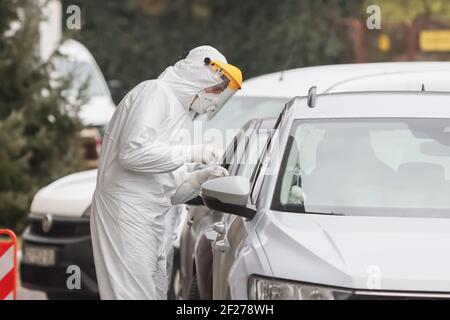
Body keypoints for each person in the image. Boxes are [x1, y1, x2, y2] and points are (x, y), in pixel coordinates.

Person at [90, 46, 243, 300]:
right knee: (132, 295)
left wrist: (198, 179)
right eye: (215, 90)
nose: (214, 99)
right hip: (126, 212)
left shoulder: (181, 115)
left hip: (151, 218)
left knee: (152, 295)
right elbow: (132, 152)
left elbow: (169, 189)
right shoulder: (155, 93)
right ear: (199, 73)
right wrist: (191, 153)